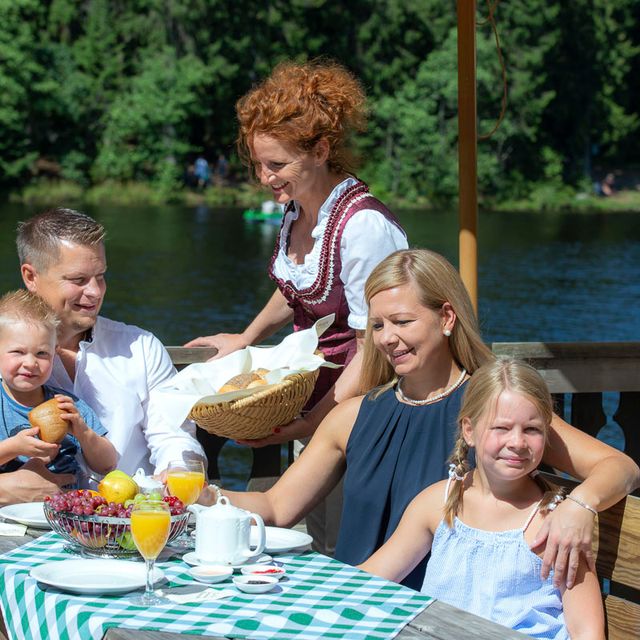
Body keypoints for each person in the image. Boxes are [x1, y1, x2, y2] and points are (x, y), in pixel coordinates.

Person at [197, 249, 640, 591]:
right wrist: (196, 494)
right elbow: (276, 507)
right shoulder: (352, 416)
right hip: (357, 608)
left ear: (447, 317)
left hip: (445, 621)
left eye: (403, 321)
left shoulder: (494, 412)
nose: (388, 338)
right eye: (377, 326)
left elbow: (621, 466)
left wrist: (579, 506)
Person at [186, 60, 408, 555]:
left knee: (354, 547)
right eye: (257, 164)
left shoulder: (362, 227)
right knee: (319, 540)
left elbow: (373, 345)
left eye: (276, 164)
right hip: (324, 408)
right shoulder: (299, 210)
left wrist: (316, 423)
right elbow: (295, 288)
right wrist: (245, 338)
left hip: (365, 414)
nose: (264, 177)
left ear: (321, 151)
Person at [359, 358, 604, 639]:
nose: (517, 442)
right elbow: (369, 579)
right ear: (469, 430)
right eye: (501, 428)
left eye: (532, 429)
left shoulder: (555, 524)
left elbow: (588, 630)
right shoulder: (438, 503)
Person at [12, 207, 206, 497]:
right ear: (31, 276)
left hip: (126, 521)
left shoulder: (140, 347)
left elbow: (174, 436)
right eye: (78, 280)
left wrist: (178, 471)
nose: (95, 292)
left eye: (100, 276)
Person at [0, 290, 116, 488]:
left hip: (64, 512)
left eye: (42, 353)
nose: (30, 363)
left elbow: (107, 465)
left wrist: (83, 432)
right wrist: (13, 447)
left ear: (55, 354)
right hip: (8, 513)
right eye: (18, 352)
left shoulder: (67, 405)